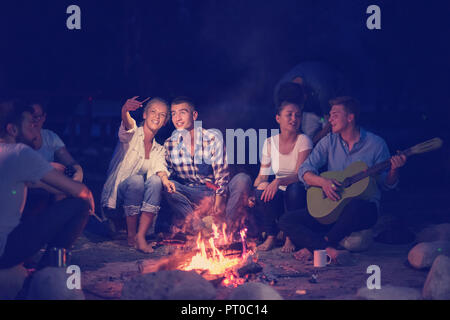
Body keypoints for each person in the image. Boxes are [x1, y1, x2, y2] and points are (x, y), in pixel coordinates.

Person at [278, 96, 407, 262]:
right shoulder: (328, 142)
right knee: (286, 220)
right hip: (332, 209)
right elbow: (305, 170)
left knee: (357, 206)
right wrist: (323, 183)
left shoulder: (376, 144)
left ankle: (318, 246)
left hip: (361, 210)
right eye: (330, 115)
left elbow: (386, 184)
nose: (329, 119)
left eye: (335, 115)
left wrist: (394, 170)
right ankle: (329, 249)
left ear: (350, 117)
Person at [0, 100, 94, 270]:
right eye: (30, 123)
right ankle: (45, 273)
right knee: (80, 205)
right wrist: (85, 193)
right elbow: (79, 190)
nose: (35, 127)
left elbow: (45, 185)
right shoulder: (20, 153)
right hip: (4, 250)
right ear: (12, 129)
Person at [159, 97, 252, 235]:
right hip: (192, 194)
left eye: (182, 112)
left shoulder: (212, 138)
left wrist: (219, 203)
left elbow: (222, 175)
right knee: (167, 185)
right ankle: (198, 228)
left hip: (215, 190)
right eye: (173, 113)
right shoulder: (170, 144)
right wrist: (163, 177)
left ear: (194, 115)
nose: (177, 118)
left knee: (243, 179)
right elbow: (166, 170)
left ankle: (227, 230)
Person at [101, 97, 170, 253]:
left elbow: (161, 168)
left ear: (165, 121)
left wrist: (166, 180)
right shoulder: (132, 134)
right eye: (153, 111)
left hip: (137, 210)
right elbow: (128, 125)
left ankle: (141, 236)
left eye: (162, 114)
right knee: (137, 180)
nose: (157, 116)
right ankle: (131, 236)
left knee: (156, 180)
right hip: (116, 205)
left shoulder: (159, 149)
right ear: (144, 114)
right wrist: (125, 110)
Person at [253, 90, 313, 252]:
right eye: (289, 115)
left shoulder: (304, 140)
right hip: (279, 194)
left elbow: (300, 175)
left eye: (298, 115)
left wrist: (278, 181)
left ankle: (290, 238)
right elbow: (262, 175)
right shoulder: (269, 142)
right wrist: (253, 192)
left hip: (298, 192)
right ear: (278, 118)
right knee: (261, 188)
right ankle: (271, 236)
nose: (294, 119)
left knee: (294, 189)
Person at [274, 61, 347, 144]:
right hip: (313, 109)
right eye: (290, 113)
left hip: (333, 100)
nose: (294, 118)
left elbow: (332, 122)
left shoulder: (323, 91)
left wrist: (311, 143)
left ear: (305, 96)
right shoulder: (279, 92)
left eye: (298, 112)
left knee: (333, 137)